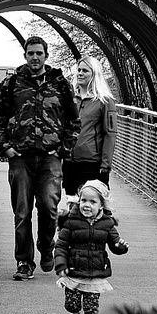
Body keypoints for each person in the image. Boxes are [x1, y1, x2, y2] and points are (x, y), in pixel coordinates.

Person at [0, 36, 78, 280]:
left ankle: (46, 247)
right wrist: (5, 147)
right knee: (22, 212)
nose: (34, 57)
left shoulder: (60, 84)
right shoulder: (12, 83)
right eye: (30, 53)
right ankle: (24, 262)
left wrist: (62, 150)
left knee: (48, 208)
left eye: (39, 53)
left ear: (46, 55)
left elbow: (74, 121)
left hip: (51, 158)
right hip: (21, 159)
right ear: (25, 55)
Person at [52, 179, 128, 314]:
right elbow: (61, 245)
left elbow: (114, 244)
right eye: (84, 200)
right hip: (74, 271)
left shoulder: (107, 223)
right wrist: (60, 263)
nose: (87, 205)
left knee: (92, 309)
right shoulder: (71, 221)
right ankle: (75, 310)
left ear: (101, 205)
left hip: (95, 273)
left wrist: (120, 246)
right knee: (71, 304)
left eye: (92, 202)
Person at [63, 55, 117, 203]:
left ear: (94, 74)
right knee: (72, 202)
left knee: (93, 204)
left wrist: (106, 164)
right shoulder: (70, 99)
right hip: (70, 161)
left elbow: (110, 134)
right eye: (78, 70)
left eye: (85, 70)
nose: (80, 73)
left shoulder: (105, 101)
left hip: (92, 162)